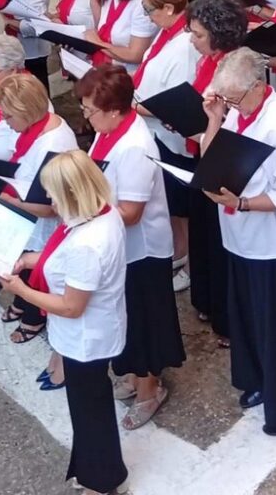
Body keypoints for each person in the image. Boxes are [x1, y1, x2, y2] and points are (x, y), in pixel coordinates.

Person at [0, 151, 129, 495]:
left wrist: (22, 291)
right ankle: (93, 469)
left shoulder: (87, 243)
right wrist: (31, 260)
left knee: (90, 411)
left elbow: (71, 307)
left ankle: (102, 481)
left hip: (85, 339)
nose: (48, 198)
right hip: (95, 331)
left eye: (53, 192)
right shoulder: (101, 213)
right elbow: (64, 258)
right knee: (89, 407)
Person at [201, 47, 276, 436]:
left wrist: (241, 203)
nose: (230, 105)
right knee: (247, 317)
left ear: (257, 86)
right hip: (239, 236)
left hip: (271, 242)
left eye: (233, 99)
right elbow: (211, 161)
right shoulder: (239, 110)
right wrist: (215, 118)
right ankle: (258, 379)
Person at [76, 65, 185, 430]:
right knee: (127, 315)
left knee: (145, 318)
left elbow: (132, 212)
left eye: (90, 110)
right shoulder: (107, 132)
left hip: (143, 250)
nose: (86, 117)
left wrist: (85, 212)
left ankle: (150, 388)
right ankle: (135, 372)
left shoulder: (135, 146)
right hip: (120, 246)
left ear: (113, 110)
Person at [0, 74, 78, 343]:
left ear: (25, 111)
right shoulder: (38, 127)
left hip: (44, 222)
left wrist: (11, 201)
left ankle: (34, 317)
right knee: (25, 264)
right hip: (30, 215)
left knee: (37, 270)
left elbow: (51, 207)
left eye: (9, 116)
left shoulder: (53, 145)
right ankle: (23, 303)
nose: (5, 122)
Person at [185, 0, 248, 344]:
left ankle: (226, 315)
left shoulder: (235, 69)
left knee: (221, 238)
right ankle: (208, 299)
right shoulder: (209, 61)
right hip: (203, 149)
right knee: (205, 231)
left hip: (222, 157)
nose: (192, 40)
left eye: (198, 34)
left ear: (218, 34)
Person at [132, 0, 199, 291]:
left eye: (149, 9)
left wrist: (132, 105)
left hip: (173, 137)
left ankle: (190, 259)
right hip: (157, 132)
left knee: (183, 205)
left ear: (169, 8)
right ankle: (179, 249)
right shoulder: (167, 34)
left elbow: (176, 101)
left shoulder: (184, 45)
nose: (147, 16)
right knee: (172, 201)